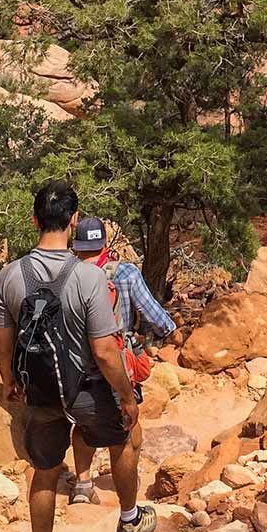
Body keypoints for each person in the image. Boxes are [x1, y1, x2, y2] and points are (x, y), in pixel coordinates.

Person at [0, 182, 157, 532]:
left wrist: (10, 380)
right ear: (71, 221)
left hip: (40, 391)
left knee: (45, 473)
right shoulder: (88, 276)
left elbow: (3, 340)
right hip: (86, 389)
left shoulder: (10, 275)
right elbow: (104, 350)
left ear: (34, 220)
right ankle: (129, 519)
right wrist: (124, 395)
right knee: (121, 442)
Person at [65, 216, 182, 504]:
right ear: (105, 242)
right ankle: (128, 494)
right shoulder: (125, 272)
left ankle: (82, 483)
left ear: (76, 245)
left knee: (83, 423)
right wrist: (170, 331)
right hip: (117, 358)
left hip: (77, 362)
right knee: (129, 425)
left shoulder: (68, 274)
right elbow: (152, 312)